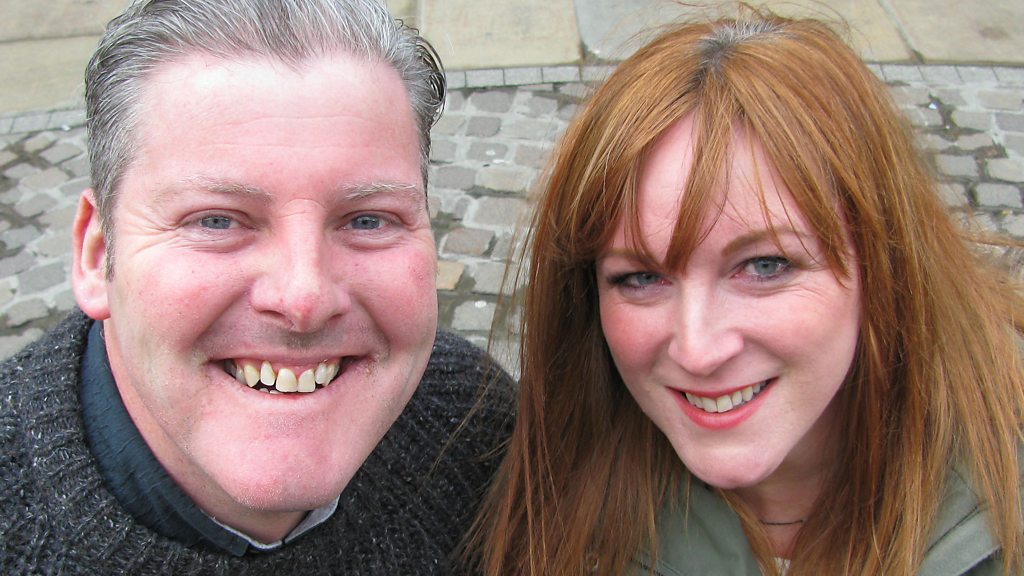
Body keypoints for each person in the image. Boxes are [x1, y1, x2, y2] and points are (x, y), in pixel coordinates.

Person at [469, 7, 1024, 576]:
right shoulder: (546, 488)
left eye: (764, 266)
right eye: (641, 278)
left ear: (884, 260)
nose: (698, 351)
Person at [0, 0, 513, 573]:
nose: (303, 299)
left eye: (368, 220)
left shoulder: (480, 430)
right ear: (98, 255)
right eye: (216, 221)